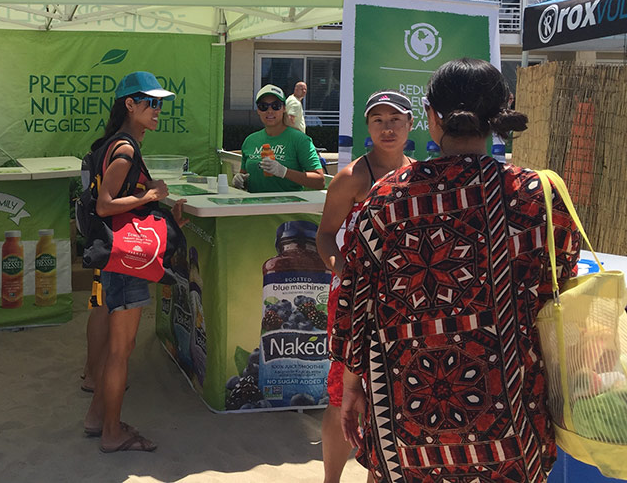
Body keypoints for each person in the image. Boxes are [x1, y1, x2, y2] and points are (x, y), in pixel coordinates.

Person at [331, 58, 581, 483]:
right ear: (502, 112)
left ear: (429, 116)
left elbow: (358, 302)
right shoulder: (537, 195)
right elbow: (560, 291)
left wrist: (353, 384)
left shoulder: (385, 200)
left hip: (405, 422)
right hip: (511, 417)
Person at [83, 70, 185, 453]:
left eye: (160, 103)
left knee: (117, 348)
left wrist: (157, 209)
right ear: (130, 104)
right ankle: (112, 432)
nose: (158, 110)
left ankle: (97, 419)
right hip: (126, 259)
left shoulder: (117, 144)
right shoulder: (124, 149)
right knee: (120, 351)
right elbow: (105, 204)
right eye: (151, 103)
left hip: (119, 256)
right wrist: (151, 195)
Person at [316, 90, 414, 483]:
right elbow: (325, 235)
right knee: (343, 394)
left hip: (402, 303)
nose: (387, 128)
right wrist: (343, 270)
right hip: (355, 305)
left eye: (395, 120)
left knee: (391, 397)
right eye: (378, 120)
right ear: (368, 127)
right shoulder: (352, 176)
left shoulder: (418, 174)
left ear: (411, 124)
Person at [234, 84, 324, 192]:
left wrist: (284, 172)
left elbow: (320, 181)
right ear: (258, 110)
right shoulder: (250, 140)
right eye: (263, 106)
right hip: (254, 206)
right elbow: (244, 174)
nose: (270, 111)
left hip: (287, 207)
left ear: (284, 108)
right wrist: (240, 180)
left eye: (276, 105)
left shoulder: (300, 140)